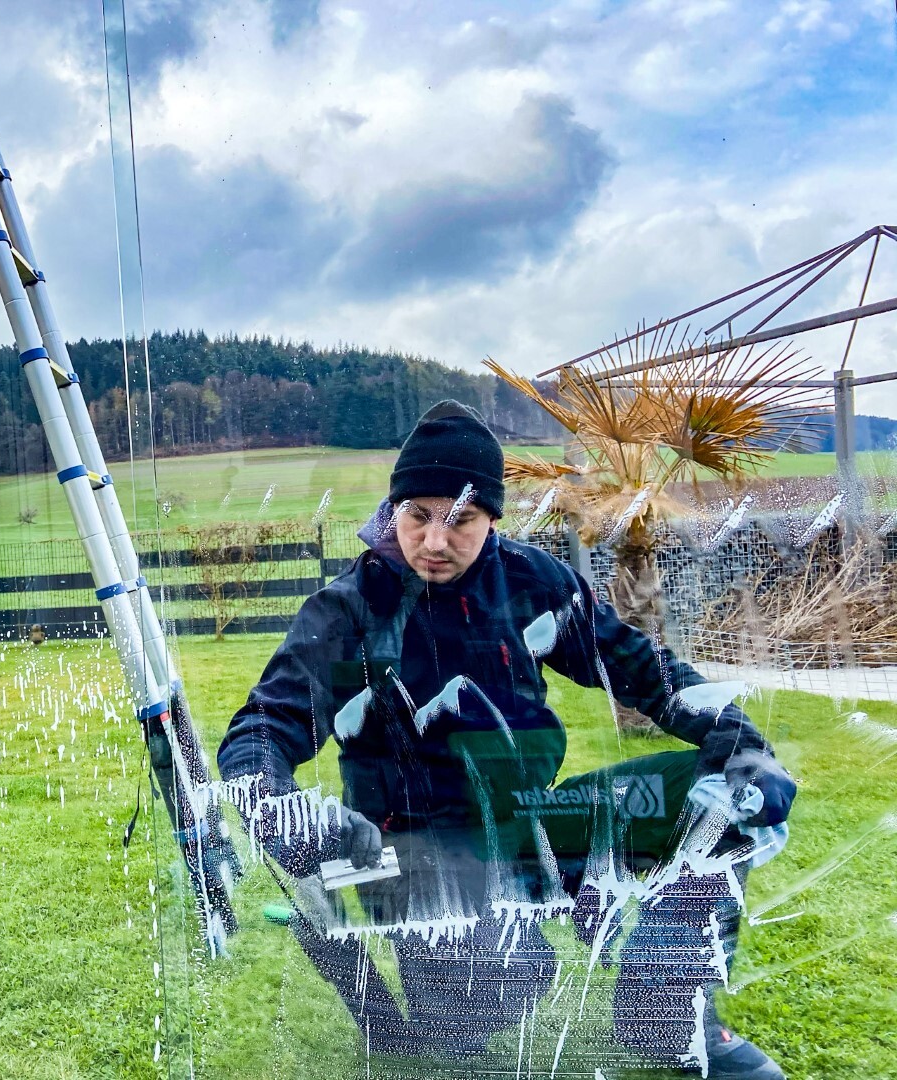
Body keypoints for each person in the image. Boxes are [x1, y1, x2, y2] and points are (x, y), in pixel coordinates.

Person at [216, 401, 795, 1079]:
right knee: (493, 991)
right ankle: (462, 977)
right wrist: (279, 806)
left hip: (528, 826)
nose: (435, 540)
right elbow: (262, 729)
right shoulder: (350, 610)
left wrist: (745, 744)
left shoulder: (533, 585)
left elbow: (646, 670)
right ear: (394, 507)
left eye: (460, 519)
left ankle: (666, 1013)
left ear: (492, 517)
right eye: (418, 515)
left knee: (730, 798)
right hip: (415, 856)